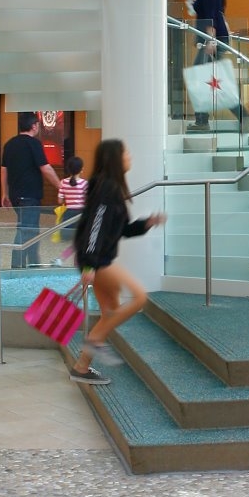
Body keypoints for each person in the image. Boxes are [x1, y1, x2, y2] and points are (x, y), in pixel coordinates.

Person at [68, 139, 164, 385]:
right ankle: (95, 340)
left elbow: (123, 229)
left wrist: (147, 223)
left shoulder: (112, 189)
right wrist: (89, 266)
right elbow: (94, 228)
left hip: (98, 258)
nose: (130, 156)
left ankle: (81, 367)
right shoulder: (106, 187)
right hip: (97, 260)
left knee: (110, 311)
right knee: (139, 297)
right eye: (126, 152)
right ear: (115, 158)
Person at [186, 0, 231, 132]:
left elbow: (211, 16)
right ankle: (204, 119)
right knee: (204, 78)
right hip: (211, 40)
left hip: (212, 40)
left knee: (200, 78)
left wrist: (210, 40)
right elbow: (200, 10)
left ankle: (203, 121)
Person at [1, 113, 49, 249]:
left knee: (31, 230)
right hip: (29, 196)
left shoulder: (9, 144)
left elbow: (4, 170)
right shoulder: (34, 144)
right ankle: (17, 266)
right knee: (26, 231)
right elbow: (46, 168)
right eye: (38, 125)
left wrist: (5, 193)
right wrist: (61, 186)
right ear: (34, 126)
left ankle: (32, 264)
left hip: (15, 196)